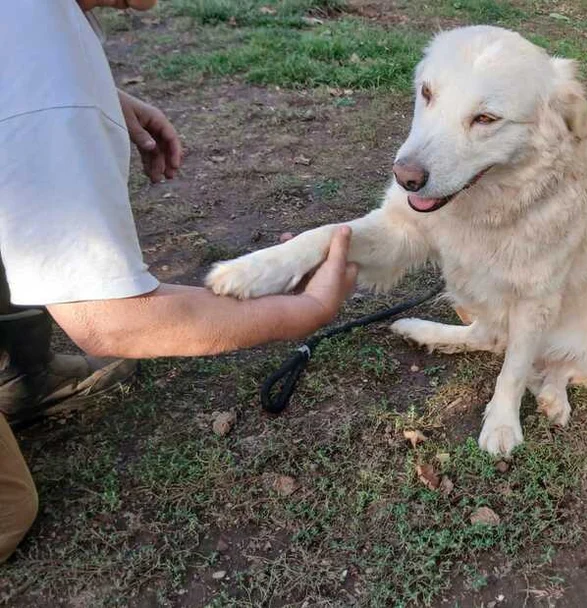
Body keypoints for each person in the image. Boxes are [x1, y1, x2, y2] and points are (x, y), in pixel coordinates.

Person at [0, 0, 361, 562]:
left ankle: (22, 376)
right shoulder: (48, 85)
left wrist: (102, 95)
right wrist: (307, 310)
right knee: (8, 510)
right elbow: (112, 321)